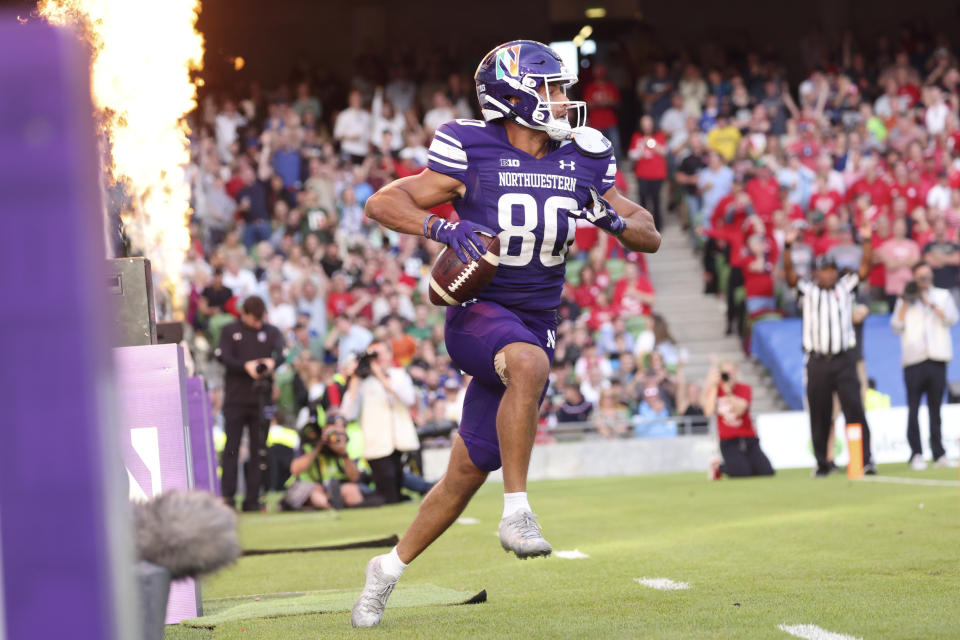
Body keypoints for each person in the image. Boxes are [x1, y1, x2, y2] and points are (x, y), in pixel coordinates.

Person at [351, 39, 660, 628]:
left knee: (466, 471)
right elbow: (382, 202)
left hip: (535, 322)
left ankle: (385, 572)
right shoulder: (472, 148)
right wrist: (441, 228)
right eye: (550, 88)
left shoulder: (584, 158)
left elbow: (649, 232)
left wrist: (615, 220)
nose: (563, 99)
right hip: (477, 315)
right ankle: (517, 512)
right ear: (514, 95)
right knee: (528, 364)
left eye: (562, 88)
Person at [783, 222, 877, 477]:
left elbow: (865, 269)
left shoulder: (845, 288)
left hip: (843, 359)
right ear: (817, 273)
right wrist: (788, 245)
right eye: (824, 271)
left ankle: (864, 459)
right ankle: (822, 462)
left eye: (832, 271)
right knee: (820, 413)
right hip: (817, 361)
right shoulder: (808, 290)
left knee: (854, 408)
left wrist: (866, 240)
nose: (828, 275)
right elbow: (790, 275)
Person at [214, 296, 286, 510]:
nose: (257, 325)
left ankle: (253, 499)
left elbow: (282, 354)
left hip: (260, 400)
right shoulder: (230, 331)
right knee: (232, 448)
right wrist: (245, 366)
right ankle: (228, 496)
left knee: (259, 449)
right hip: (236, 398)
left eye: (260, 320)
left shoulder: (272, 332)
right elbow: (222, 356)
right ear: (243, 314)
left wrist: (272, 362)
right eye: (254, 320)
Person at [890, 262, 959, 469]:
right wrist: (905, 301)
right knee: (913, 409)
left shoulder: (942, 295)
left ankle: (939, 454)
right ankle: (916, 453)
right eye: (920, 278)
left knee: (935, 409)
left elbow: (952, 319)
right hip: (914, 360)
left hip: (937, 358)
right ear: (914, 279)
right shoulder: (906, 299)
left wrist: (929, 303)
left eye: (927, 277)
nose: (924, 282)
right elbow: (896, 326)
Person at [341, 341, 420, 504]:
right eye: (374, 354)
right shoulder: (363, 381)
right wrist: (355, 378)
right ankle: (361, 502)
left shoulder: (398, 375)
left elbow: (408, 398)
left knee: (397, 480)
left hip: (399, 439)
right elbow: (348, 412)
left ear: (390, 355)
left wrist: (381, 377)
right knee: (387, 484)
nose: (379, 358)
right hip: (376, 442)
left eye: (382, 353)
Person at [702, 358, 774, 478]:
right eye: (726, 373)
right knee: (742, 473)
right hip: (729, 441)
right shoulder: (716, 390)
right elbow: (708, 412)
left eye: (732, 372)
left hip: (749, 439)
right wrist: (714, 387)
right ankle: (718, 467)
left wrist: (728, 392)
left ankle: (741, 465)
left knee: (766, 471)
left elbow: (740, 410)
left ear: (736, 373)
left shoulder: (745, 388)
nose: (729, 376)